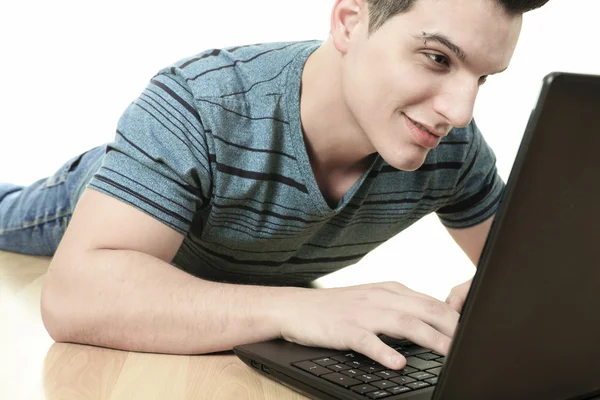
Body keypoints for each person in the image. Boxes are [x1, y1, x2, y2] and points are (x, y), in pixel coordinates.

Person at [0, 0, 548, 370]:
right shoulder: (202, 103)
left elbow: (536, 272)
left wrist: (505, 296)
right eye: (436, 58)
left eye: (481, 78)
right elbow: (76, 297)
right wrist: (298, 309)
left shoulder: (451, 147)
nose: (458, 109)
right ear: (350, 20)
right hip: (105, 201)